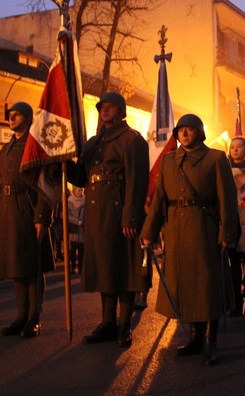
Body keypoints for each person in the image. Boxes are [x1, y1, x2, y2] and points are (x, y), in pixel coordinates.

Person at [141, 114, 238, 366]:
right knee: (186, 286)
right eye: (181, 130)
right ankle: (195, 338)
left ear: (200, 132)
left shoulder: (216, 158)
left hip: (205, 230)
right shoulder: (169, 161)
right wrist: (148, 232)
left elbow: (227, 200)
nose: (185, 134)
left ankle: (211, 342)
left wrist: (226, 232)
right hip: (176, 232)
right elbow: (160, 197)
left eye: (190, 130)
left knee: (207, 287)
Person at [70, 92, 149, 348]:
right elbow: (82, 176)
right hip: (96, 211)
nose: (105, 110)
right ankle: (107, 322)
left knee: (123, 268)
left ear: (121, 110)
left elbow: (137, 182)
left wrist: (131, 216)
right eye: (102, 106)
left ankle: (124, 325)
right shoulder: (93, 143)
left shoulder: (131, 140)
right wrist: (60, 162)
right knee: (105, 269)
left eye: (111, 106)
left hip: (119, 211)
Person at [0, 102, 53, 339]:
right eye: (9, 115)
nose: (11, 118)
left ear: (27, 118)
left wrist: (41, 216)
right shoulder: (5, 150)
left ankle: (34, 318)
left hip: (27, 209)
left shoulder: (35, 146)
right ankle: (21, 315)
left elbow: (46, 184)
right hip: (7, 212)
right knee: (17, 268)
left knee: (32, 267)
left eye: (15, 115)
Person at [228, 136, 245, 316]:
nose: (235, 150)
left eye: (239, 147)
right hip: (232, 222)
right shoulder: (224, 169)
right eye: (232, 147)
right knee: (233, 268)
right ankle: (236, 304)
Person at [67, 186, 85, 275]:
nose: (81, 192)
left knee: (82, 249)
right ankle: (73, 266)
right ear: (74, 191)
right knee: (73, 249)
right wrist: (76, 221)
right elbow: (67, 215)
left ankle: (81, 267)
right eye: (79, 190)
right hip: (73, 229)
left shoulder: (85, 201)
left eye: (81, 190)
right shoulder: (69, 201)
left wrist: (83, 221)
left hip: (82, 230)